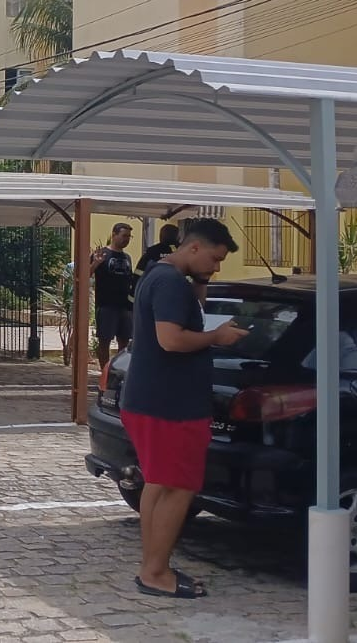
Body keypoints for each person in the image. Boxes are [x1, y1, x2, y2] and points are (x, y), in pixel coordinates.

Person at [119, 218, 248, 599]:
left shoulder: (162, 275)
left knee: (158, 484)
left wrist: (201, 282)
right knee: (178, 488)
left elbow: (186, 317)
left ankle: (152, 565)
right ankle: (155, 573)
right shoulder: (170, 282)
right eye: (214, 259)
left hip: (152, 400)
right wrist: (217, 336)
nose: (217, 266)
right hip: (170, 405)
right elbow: (171, 340)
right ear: (193, 248)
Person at [89, 223, 137, 386]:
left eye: (129, 237)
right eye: (124, 236)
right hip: (106, 304)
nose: (126, 240)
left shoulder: (127, 258)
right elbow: (85, 274)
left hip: (125, 306)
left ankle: (120, 373)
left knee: (124, 341)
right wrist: (96, 263)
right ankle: (105, 373)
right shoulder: (101, 254)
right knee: (105, 340)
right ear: (114, 235)